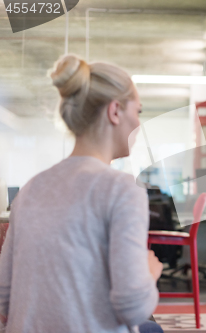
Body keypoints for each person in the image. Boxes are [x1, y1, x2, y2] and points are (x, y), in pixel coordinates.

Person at [0, 54, 164, 333]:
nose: (138, 123)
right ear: (115, 111)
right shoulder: (121, 189)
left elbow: (4, 301)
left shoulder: (30, 190)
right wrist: (150, 274)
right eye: (138, 111)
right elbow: (133, 307)